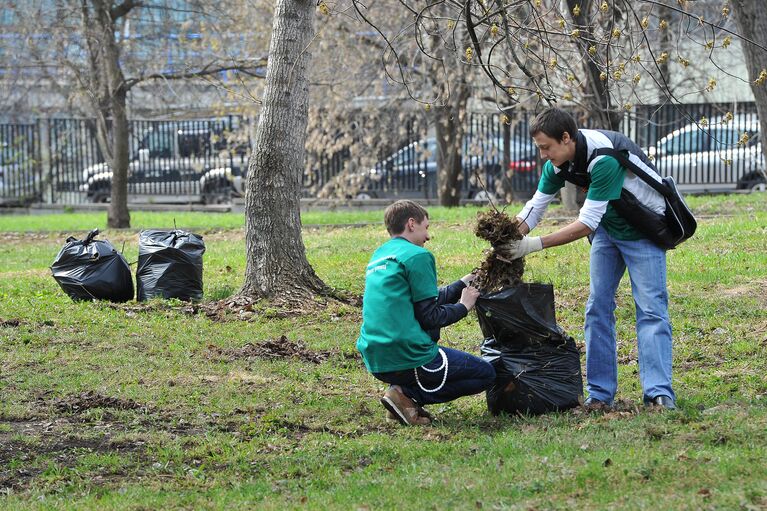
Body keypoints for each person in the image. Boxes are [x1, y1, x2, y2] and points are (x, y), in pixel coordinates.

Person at [503, 107, 676, 410]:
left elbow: (585, 223)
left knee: (651, 309)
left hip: (645, 230)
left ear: (566, 138)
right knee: (597, 307)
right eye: (539, 148)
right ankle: (600, 394)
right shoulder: (559, 163)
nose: (543, 155)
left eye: (546, 147)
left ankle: (659, 394)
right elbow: (536, 206)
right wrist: (508, 239)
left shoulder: (604, 158)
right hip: (609, 231)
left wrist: (531, 245)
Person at [356, 200, 496, 425]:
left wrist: (462, 283)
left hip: (375, 358)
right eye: (426, 227)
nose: (428, 236)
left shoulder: (379, 256)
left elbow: (418, 302)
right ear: (412, 223)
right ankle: (407, 398)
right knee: (486, 374)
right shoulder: (418, 255)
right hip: (407, 355)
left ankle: (399, 397)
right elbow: (430, 316)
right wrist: (464, 305)